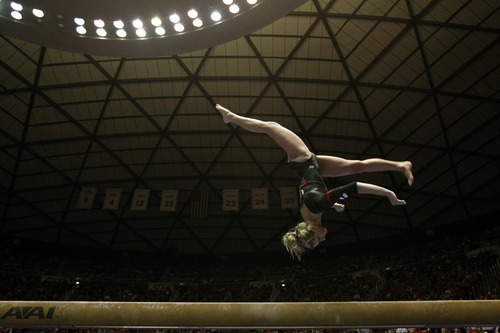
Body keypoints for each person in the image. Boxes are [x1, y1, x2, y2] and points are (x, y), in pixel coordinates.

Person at [215, 104, 413, 260]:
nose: (324, 237)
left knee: (271, 127)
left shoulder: (317, 207)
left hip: (302, 159)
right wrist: (334, 203)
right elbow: (314, 193)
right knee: (357, 166)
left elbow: (354, 187)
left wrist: (389, 195)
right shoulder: (308, 213)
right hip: (315, 168)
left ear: (312, 230)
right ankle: (400, 165)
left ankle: (231, 118)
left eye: (319, 238)